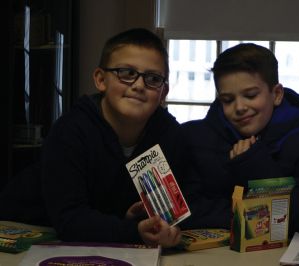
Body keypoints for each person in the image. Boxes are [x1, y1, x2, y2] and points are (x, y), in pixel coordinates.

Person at [0, 28, 182, 247]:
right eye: (126, 72)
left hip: (103, 241)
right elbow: (69, 220)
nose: (139, 85)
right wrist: (132, 230)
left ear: (163, 92)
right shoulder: (70, 131)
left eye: (153, 78)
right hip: (25, 231)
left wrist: (142, 222)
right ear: (100, 80)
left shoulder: (169, 133)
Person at [180, 43, 299, 237]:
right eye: (227, 100)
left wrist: (256, 167)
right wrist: (260, 217)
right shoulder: (193, 138)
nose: (240, 107)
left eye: (250, 95)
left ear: (276, 94)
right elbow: (185, 212)